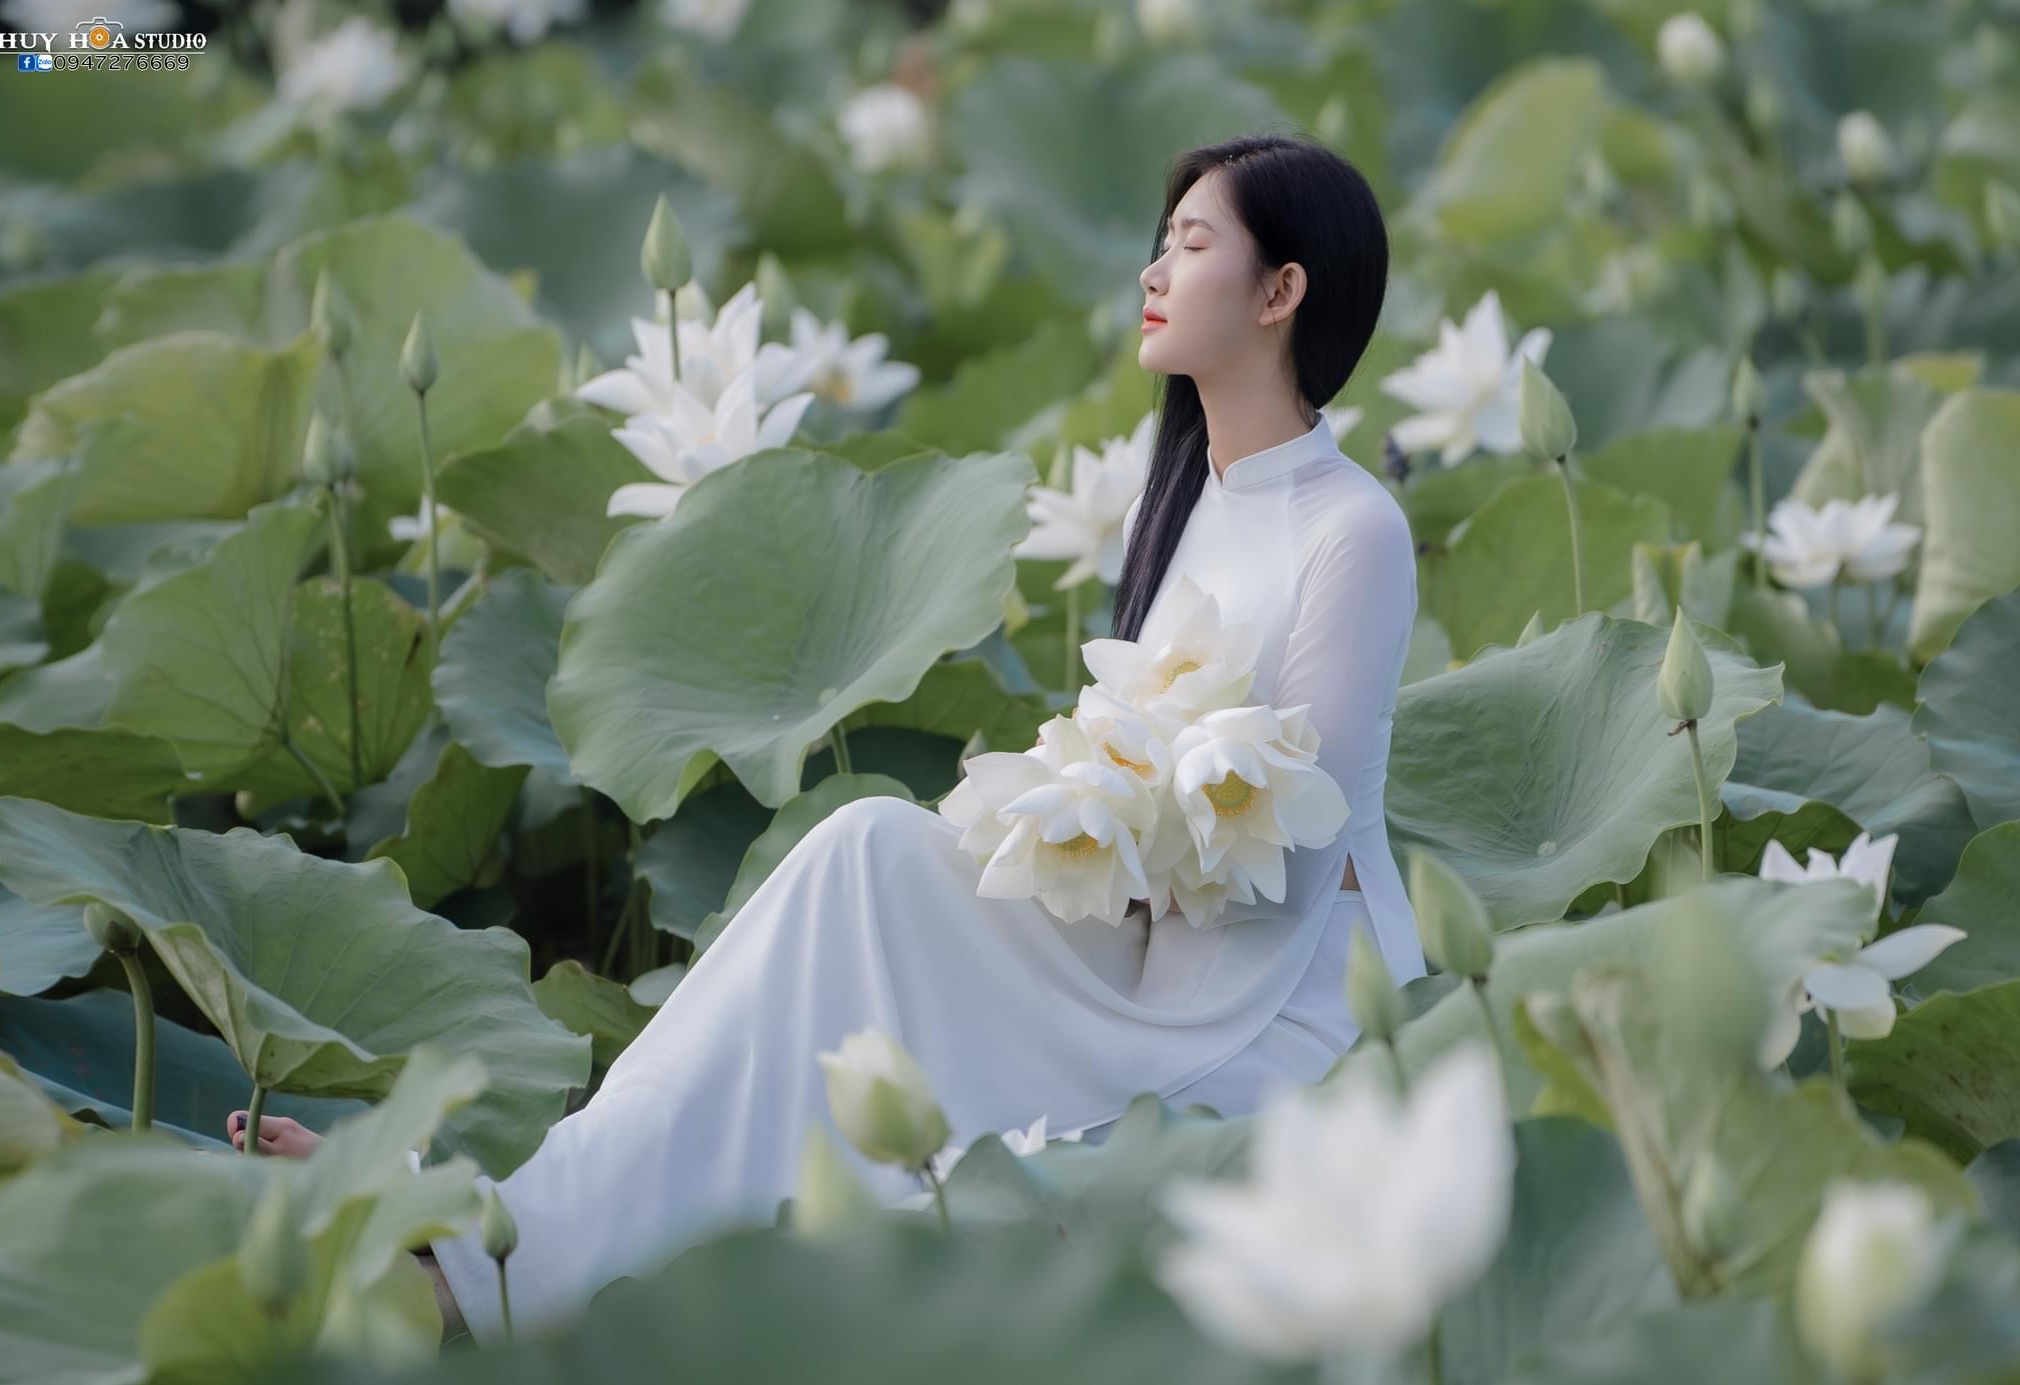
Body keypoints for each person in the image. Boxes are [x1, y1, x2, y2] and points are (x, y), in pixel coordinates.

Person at [228, 131, 1424, 1342]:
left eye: (1191, 243)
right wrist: (1062, 810)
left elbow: (1287, 835)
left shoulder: (1352, 531)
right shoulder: (1193, 505)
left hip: (1274, 979)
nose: (1150, 275)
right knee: (861, 849)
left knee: (886, 889)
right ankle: (516, 1236)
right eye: (1158, 242)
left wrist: (1099, 814)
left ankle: (515, 1263)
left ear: (1279, 292)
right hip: (1143, 925)